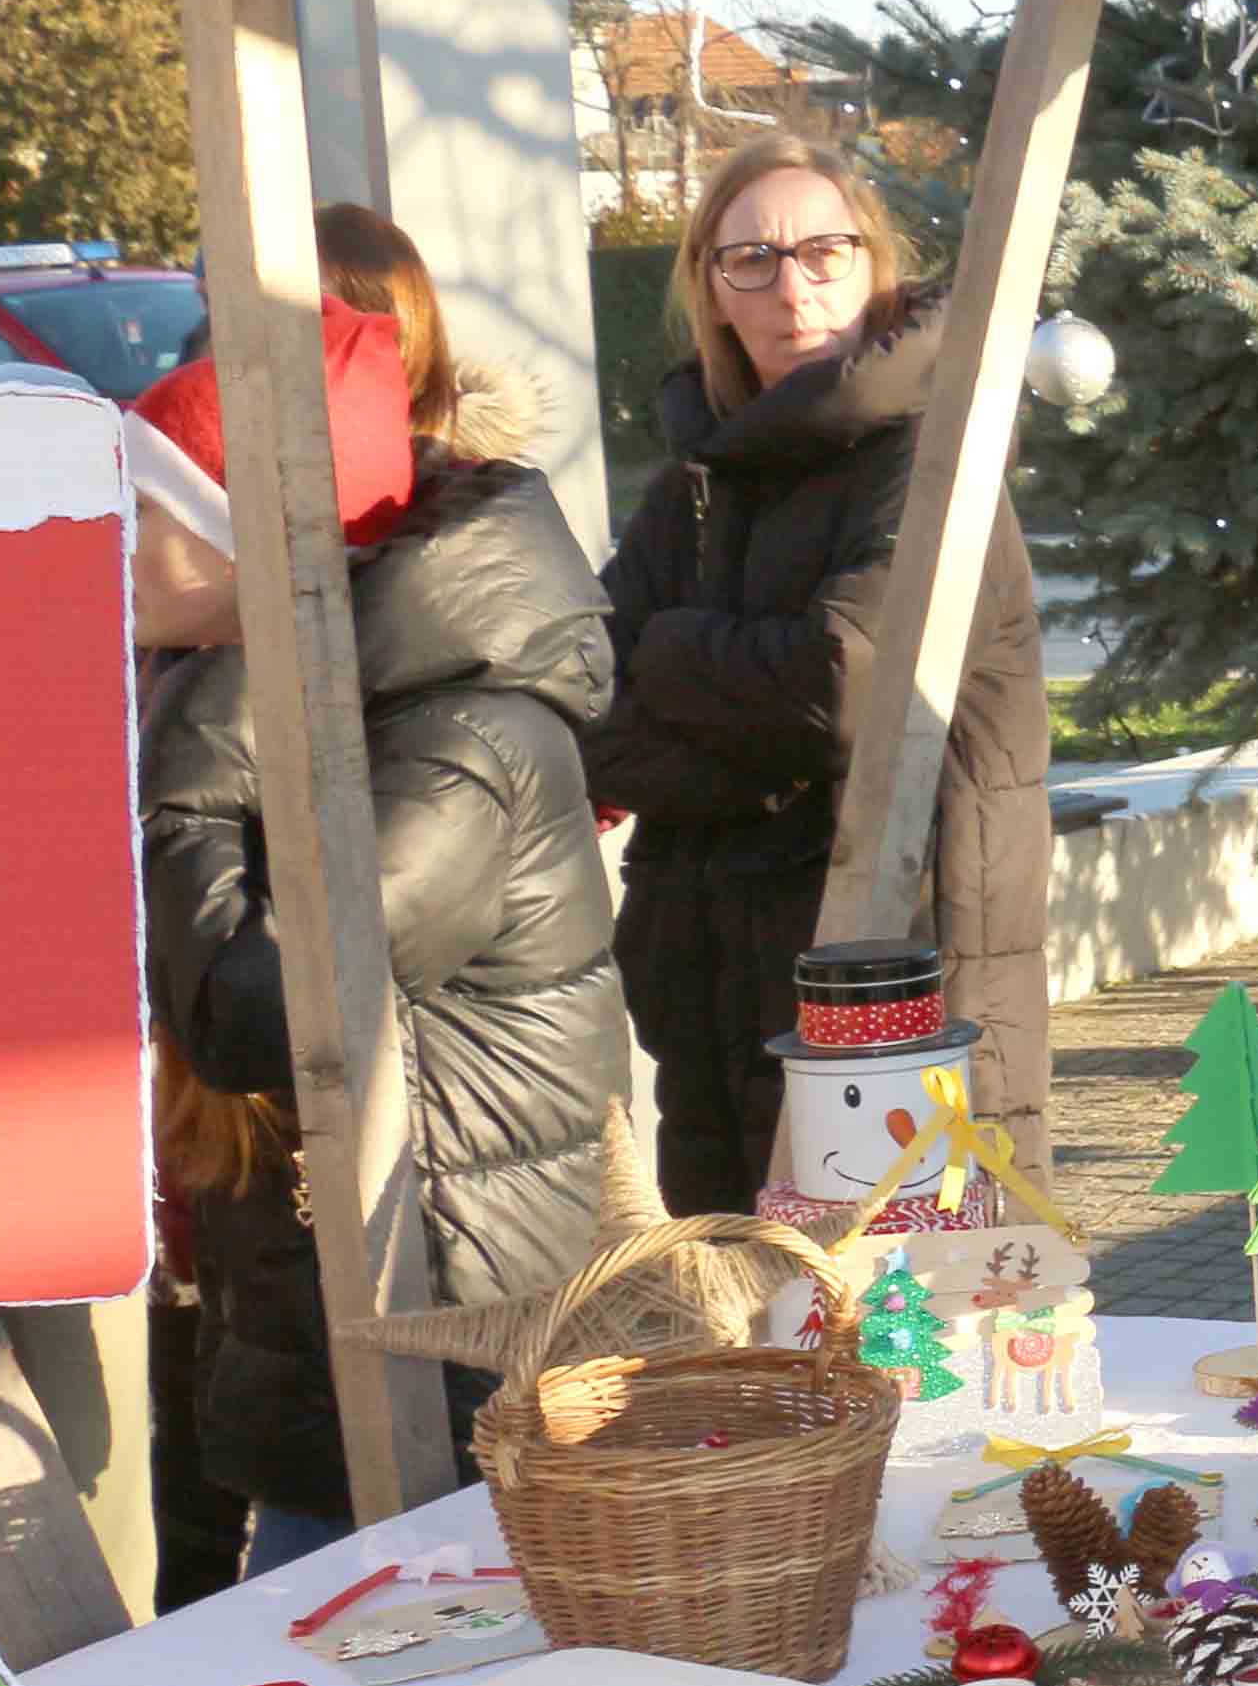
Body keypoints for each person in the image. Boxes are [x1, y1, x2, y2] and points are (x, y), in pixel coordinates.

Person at [139, 211, 622, 1586]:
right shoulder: (324, 709)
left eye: (149, 511)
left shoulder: (465, 742)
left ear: (245, 546)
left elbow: (259, 1007)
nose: (115, 545)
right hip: (338, 1328)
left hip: (448, 1350)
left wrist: (185, 769)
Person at [588, 136, 1049, 1212]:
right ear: (708, 284)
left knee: (905, 1339)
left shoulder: (935, 463)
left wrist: (667, 648)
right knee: (750, 1346)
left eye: (822, 251)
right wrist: (752, 760)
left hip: (886, 983)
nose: (790, 287)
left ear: (873, 265)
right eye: (749, 258)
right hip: (707, 997)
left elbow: (839, 694)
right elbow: (579, 697)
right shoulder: (691, 489)